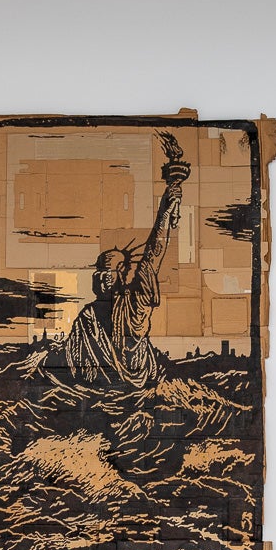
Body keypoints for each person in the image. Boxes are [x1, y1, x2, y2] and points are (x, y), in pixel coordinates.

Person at [63, 132, 191, 390]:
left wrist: (166, 211)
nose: (101, 276)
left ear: (121, 274)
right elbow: (73, 367)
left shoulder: (134, 304)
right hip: (97, 398)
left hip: (131, 390)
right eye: (100, 270)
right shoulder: (86, 318)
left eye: (108, 270)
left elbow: (154, 254)